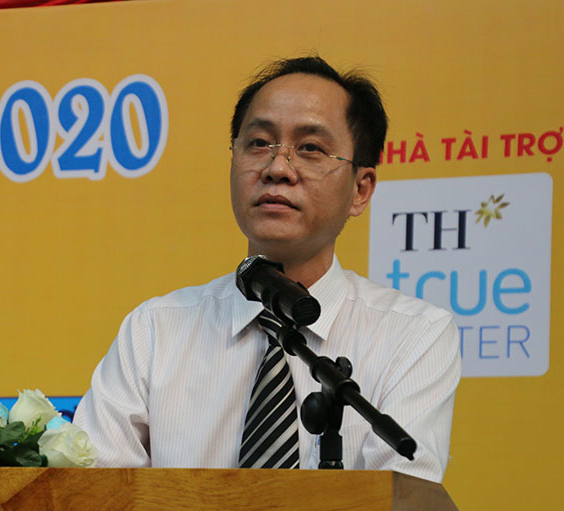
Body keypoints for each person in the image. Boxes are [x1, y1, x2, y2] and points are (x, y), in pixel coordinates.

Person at [73, 56, 460, 483]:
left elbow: (397, 507)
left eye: (310, 149)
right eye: (258, 143)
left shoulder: (413, 336)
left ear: (360, 189)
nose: (277, 168)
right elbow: (95, 504)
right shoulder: (154, 332)